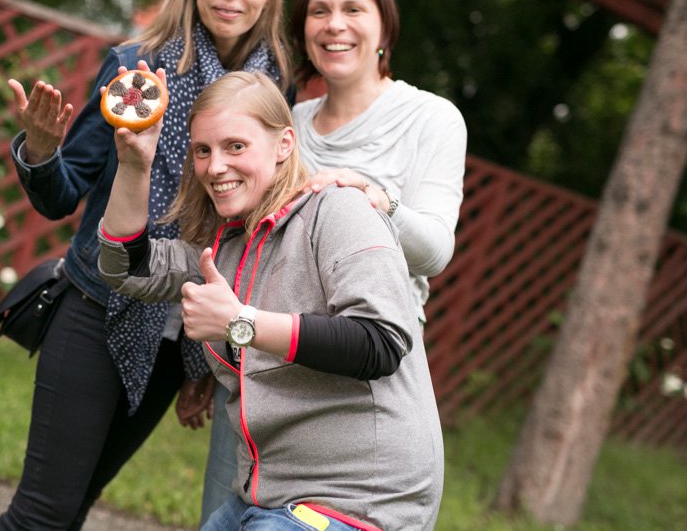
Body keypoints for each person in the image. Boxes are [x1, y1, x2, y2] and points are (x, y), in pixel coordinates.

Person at [0, 0, 292, 530]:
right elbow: (61, 196)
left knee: (72, 509)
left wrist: (210, 355)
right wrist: (41, 151)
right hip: (97, 308)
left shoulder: (276, 93)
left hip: (178, 337)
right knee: (41, 515)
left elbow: (252, 225)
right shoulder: (138, 66)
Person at [98, 71, 445, 531]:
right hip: (271, 494)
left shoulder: (340, 210)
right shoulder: (227, 247)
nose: (215, 167)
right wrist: (134, 164)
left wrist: (240, 322)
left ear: (284, 144)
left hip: (360, 499)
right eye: (203, 151)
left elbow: (379, 341)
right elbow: (126, 267)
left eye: (235, 146)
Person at [200, 0, 468, 525]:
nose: (334, 25)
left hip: (355, 367)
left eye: (353, 9)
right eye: (319, 11)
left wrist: (379, 201)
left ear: (385, 26)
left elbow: (436, 252)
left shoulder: (431, 117)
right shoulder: (289, 122)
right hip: (256, 350)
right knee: (231, 507)